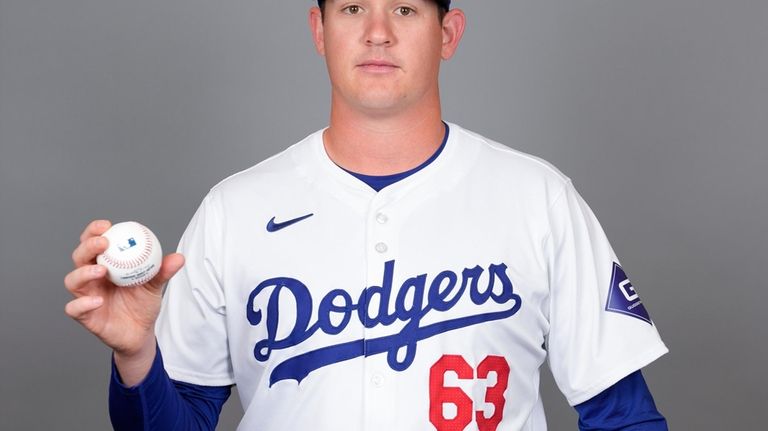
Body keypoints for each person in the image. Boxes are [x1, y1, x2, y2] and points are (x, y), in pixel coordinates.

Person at [64, 1, 669, 430]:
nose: (377, 32)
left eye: (405, 9)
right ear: (319, 29)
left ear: (449, 32)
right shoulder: (234, 210)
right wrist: (137, 357)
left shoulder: (539, 198)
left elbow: (624, 417)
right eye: (353, 8)